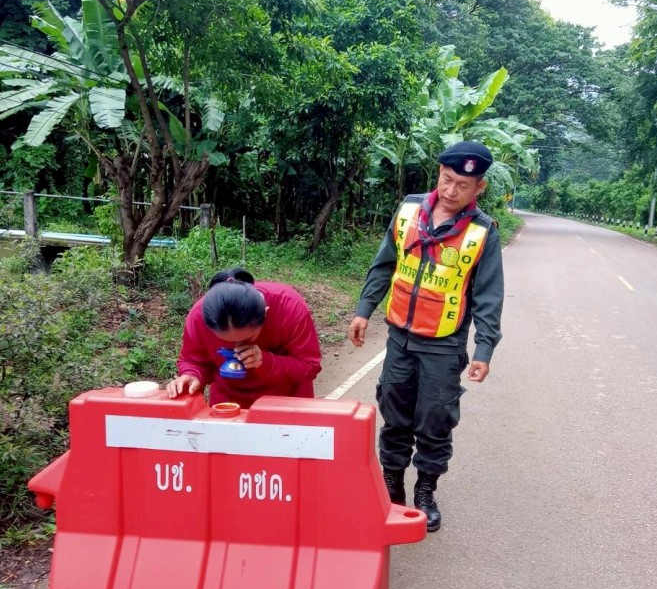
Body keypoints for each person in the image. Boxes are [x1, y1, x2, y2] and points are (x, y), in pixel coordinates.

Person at [349, 141, 505, 532]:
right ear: (438, 172)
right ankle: (392, 485)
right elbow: (384, 263)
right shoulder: (408, 211)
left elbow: (488, 295)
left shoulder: (482, 232)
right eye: (447, 179)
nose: (451, 191)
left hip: (444, 343)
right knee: (395, 413)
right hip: (399, 336)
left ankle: (425, 491)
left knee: (435, 420)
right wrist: (364, 309)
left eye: (463, 185)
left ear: (479, 187)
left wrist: (483, 349)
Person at [166, 267, 322, 409]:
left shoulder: (289, 306)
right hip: (229, 404)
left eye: (248, 338)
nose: (237, 347)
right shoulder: (199, 315)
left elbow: (309, 365)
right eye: (226, 341)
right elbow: (193, 360)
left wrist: (265, 361)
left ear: (266, 313)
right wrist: (192, 375)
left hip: (288, 402)